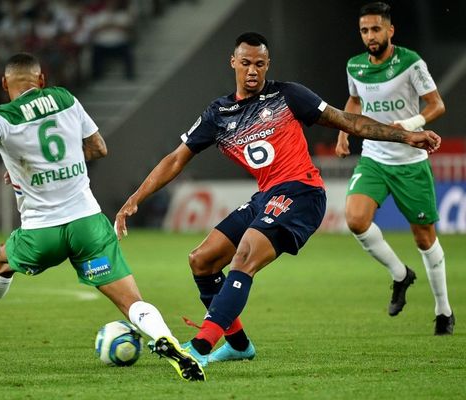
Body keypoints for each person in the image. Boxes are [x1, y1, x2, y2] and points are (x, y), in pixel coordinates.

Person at [114, 32, 441, 366]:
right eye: (246, 63)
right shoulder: (219, 113)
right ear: (233, 63)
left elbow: (348, 120)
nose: (252, 70)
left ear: (267, 64)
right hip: (266, 196)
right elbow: (176, 158)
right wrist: (136, 197)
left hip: (302, 193)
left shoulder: (288, 95)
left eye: (259, 63)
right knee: (202, 260)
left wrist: (406, 136)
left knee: (244, 257)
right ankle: (239, 345)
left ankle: (198, 348)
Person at [0, 53, 205, 382]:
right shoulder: (65, 99)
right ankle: (167, 340)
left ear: (5, 84)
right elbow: (98, 148)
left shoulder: (1, 116)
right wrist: (47, 168)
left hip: (42, 232)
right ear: (42, 80)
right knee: (131, 301)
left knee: (2, 259)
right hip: (88, 224)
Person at [335, 2, 454, 336]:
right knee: (355, 219)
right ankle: (400, 274)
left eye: (376, 29)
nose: (370, 36)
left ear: (390, 30)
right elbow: (355, 103)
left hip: (411, 164)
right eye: (364, 30)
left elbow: (436, 104)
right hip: (374, 157)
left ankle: (443, 310)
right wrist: (344, 132)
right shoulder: (355, 66)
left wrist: (411, 124)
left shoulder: (410, 62)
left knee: (425, 239)